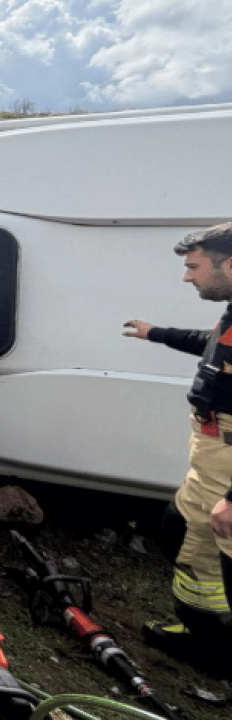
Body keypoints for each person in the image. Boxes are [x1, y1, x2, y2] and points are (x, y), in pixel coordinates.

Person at [123, 220, 232, 667]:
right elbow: (211, 344)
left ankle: (219, 652)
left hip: (227, 466)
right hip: (210, 454)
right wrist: (158, 333)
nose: (187, 276)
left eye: (194, 266)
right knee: (182, 533)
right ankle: (206, 638)